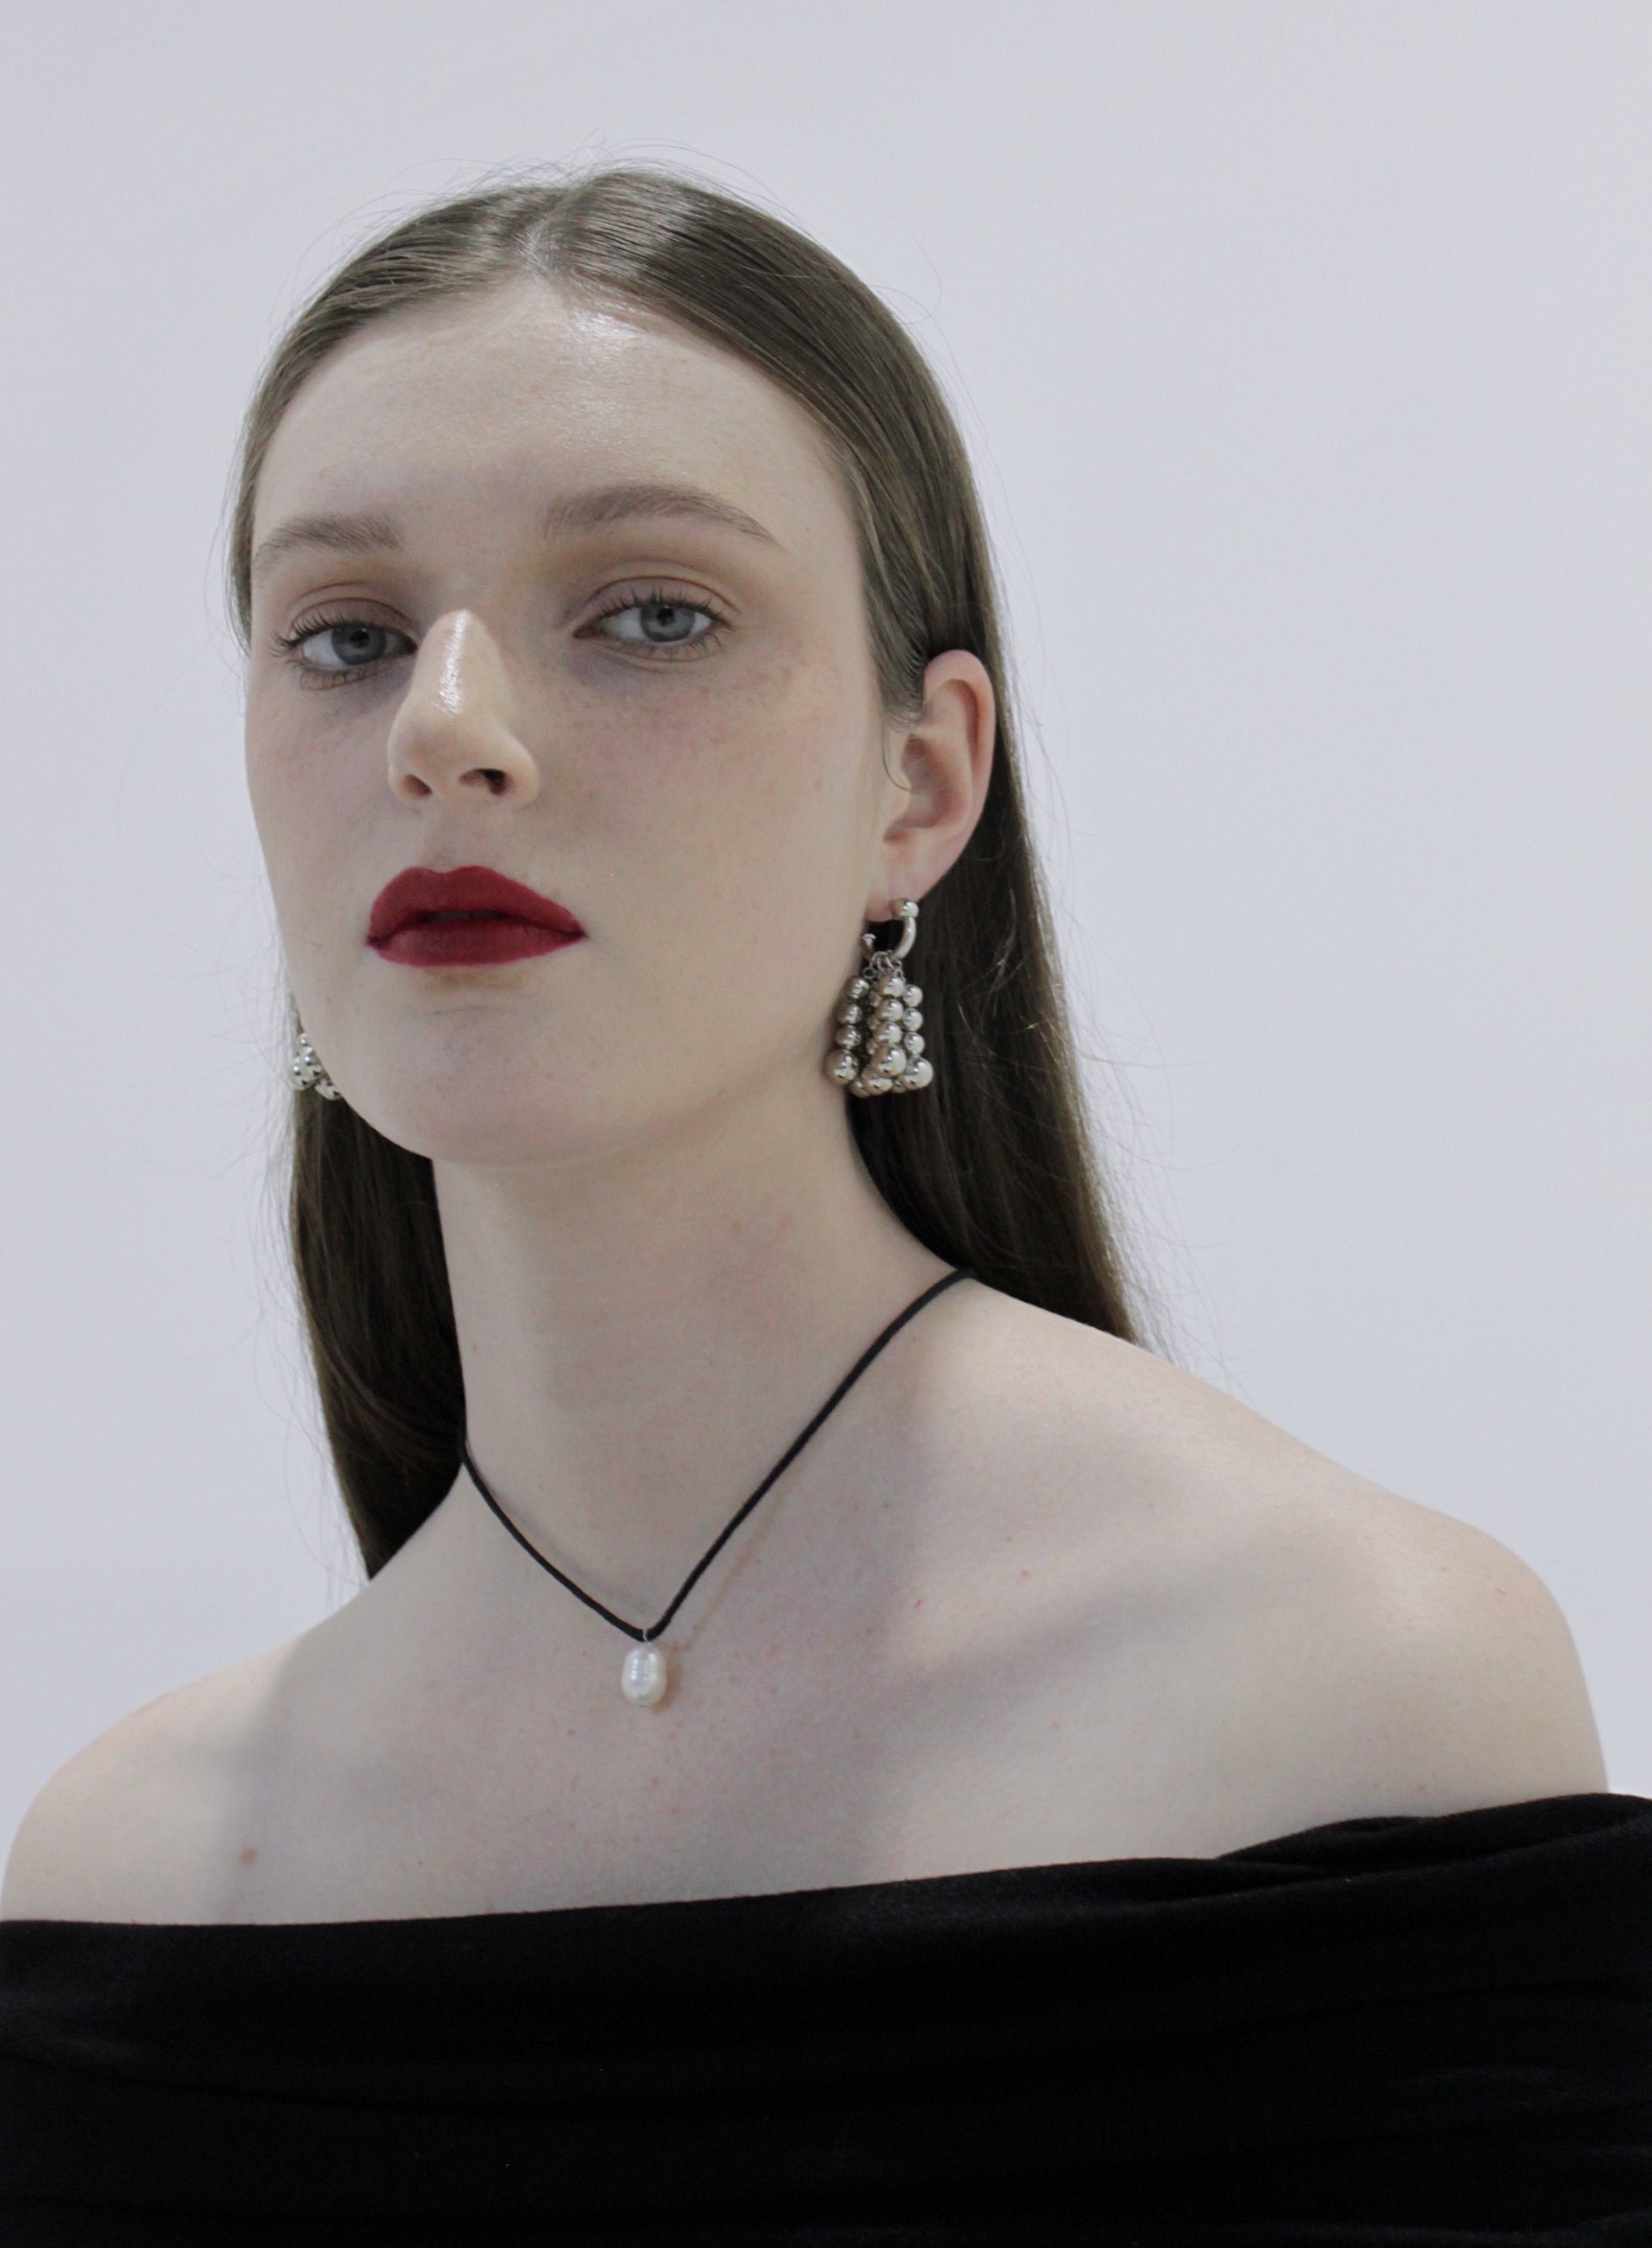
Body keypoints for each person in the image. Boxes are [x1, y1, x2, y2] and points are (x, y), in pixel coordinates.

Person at [0, 167, 1645, 2244]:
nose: (446, 730)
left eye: (651, 612)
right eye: (341, 635)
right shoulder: (132, 1889)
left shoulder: (1358, 1687)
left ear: (924, 781)